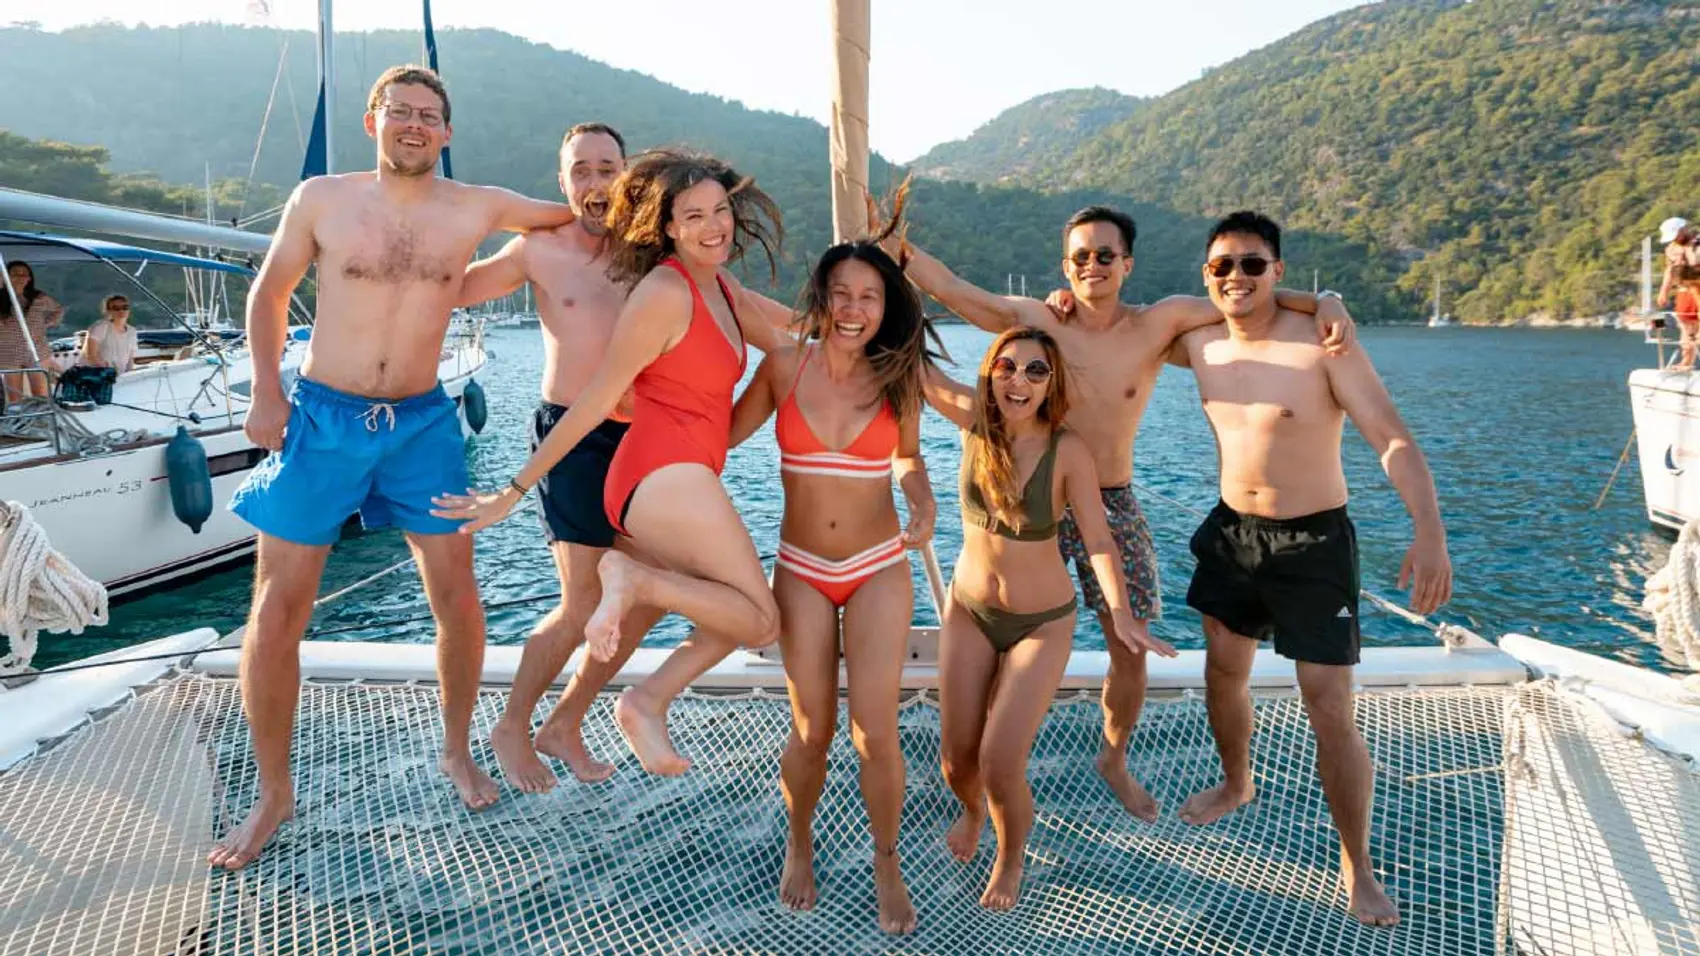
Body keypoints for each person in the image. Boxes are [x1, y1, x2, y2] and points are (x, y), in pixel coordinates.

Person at [207, 64, 577, 871]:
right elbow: (270, 294)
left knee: (456, 594)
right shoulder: (322, 199)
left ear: (446, 132)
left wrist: (675, 198)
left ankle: (455, 749)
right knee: (277, 611)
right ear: (374, 119)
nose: (415, 124)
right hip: (324, 419)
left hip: (422, 428)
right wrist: (265, 392)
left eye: (430, 115)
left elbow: (590, 210)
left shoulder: (476, 207)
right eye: (400, 111)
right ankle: (274, 791)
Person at [890, 204, 1356, 821]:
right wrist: (900, 251)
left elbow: (1248, 296)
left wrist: (1326, 298)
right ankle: (987, 777)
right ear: (1065, 266)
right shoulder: (1037, 320)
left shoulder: (1160, 323)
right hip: (1034, 497)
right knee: (1002, 629)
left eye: (1105, 255)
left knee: (1129, 646)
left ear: (1126, 264)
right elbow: (955, 292)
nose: (1092, 266)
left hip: (1111, 501)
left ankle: (1113, 756)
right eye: (1081, 256)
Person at [434, 148, 788, 781]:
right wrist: (452, 219)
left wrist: (874, 325)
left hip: (649, 445)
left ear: (630, 186)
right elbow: (444, 293)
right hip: (581, 438)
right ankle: (512, 725)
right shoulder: (541, 252)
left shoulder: (669, 262)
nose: (594, 183)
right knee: (583, 604)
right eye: (581, 171)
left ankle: (565, 721)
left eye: (607, 170)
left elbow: (785, 333)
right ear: (562, 180)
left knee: (645, 604)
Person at [1168, 211, 1452, 927]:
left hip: (1314, 544)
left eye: (1254, 264)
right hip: (1233, 533)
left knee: (1329, 709)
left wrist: (1429, 532)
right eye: (1223, 265)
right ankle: (1237, 782)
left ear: (1279, 270)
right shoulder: (1199, 343)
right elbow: (1116, 332)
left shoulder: (1325, 345)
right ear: (1207, 275)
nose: (1237, 276)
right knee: (1222, 672)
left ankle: (1358, 867)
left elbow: (1391, 437)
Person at [920, 326, 1178, 911]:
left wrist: (1121, 612)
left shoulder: (1068, 451)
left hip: (1041, 622)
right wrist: (883, 269)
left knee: (999, 759)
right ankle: (972, 812)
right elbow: (912, 360)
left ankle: (1011, 860)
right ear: (989, 372)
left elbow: (1098, 539)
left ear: (1051, 383)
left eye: (1036, 371)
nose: (1020, 380)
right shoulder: (972, 424)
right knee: (957, 760)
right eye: (1008, 367)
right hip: (969, 611)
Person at [726, 224, 937, 934]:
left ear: (886, 307)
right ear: (821, 298)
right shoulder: (784, 366)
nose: (853, 308)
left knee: (875, 730)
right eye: (841, 293)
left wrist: (923, 498)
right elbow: (717, 438)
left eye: (869, 297)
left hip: (879, 566)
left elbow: (906, 459)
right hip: (803, 569)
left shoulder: (897, 376)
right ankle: (799, 840)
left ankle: (886, 862)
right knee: (813, 728)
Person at [0, 260, 65, 399]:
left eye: (24, 274)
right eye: (15, 274)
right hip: (8, 353)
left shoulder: (39, 298)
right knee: (14, 398)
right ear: (5, 276)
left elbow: (58, 310)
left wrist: (47, 323)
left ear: (30, 278)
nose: (20, 277)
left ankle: (42, 420)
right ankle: (19, 420)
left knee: (41, 396)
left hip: (37, 351)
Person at [1657, 218, 1700, 370]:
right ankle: (1686, 362)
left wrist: (1688, 253)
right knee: (1686, 325)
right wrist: (1664, 291)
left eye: (1677, 235)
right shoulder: (1671, 249)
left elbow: (1695, 263)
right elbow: (1669, 271)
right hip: (1685, 289)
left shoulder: (1697, 243)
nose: (1675, 239)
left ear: (1683, 230)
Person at [80, 294, 140, 374]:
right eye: (116, 308)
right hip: (95, 376)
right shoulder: (99, 327)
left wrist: (128, 375)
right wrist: (109, 372)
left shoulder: (132, 331)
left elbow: (130, 359)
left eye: (125, 307)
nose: (121, 311)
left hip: (119, 378)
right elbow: (91, 356)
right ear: (108, 311)